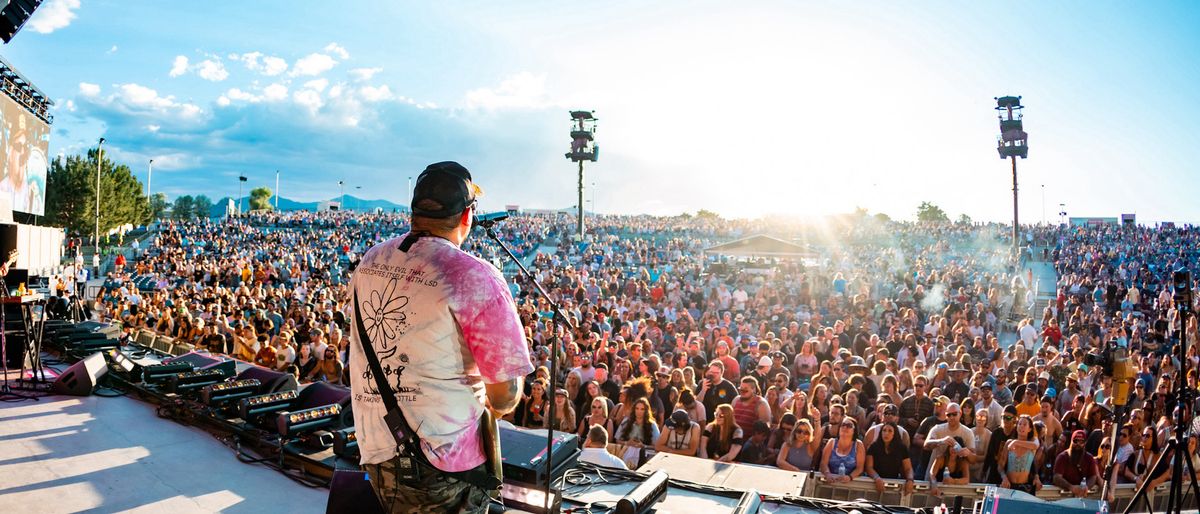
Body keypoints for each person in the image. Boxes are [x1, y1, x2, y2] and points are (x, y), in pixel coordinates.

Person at [349, 162, 532, 513]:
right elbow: (505, 394)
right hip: (443, 462)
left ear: (414, 211)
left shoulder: (371, 259)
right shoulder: (473, 277)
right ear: (467, 215)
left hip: (376, 446)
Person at [866, 421, 915, 495]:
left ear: (894, 434)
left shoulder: (902, 448)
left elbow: (908, 468)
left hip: (894, 484)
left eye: (890, 431)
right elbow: (869, 467)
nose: (886, 433)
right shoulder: (873, 447)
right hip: (874, 483)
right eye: (884, 430)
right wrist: (877, 478)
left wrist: (910, 479)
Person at [997, 415, 1042, 494]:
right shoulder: (1009, 442)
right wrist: (1004, 477)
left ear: (1030, 429)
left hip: (1025, 487)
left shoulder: (1033, 441)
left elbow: (1035, 446)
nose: (1021, 426)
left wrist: (1016, 442)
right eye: (1019, 424)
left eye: (1025, 424)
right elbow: (1000, 465)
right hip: (1009, 486)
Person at [1053, 430, 1100, 498]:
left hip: (1083, 496)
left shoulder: (1089, 458)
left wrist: (1087, 487)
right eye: (1075, 441)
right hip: (1063, 497)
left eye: (1081, 442)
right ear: (1071, 441)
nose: (1078, 444)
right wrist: (1071, 487)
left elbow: (1093, 476)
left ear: (1085, 443)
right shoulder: (1062, 457)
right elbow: (1056, 477)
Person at [821, 417, 865, 483]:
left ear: (854, 430)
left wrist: (850, 477)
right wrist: (827, 474)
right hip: (831, 483)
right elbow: (823, 463)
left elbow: (860, 468)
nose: (845, 427)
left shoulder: (858, 445)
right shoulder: (831, 442)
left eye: (849, 426)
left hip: (851, 484)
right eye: (843, 425)